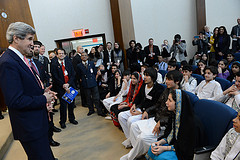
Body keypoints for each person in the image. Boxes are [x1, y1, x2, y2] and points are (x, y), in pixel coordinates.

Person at [0, 22, 57, 160]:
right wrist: (44, 99)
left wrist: (44, 92)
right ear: (16, 38)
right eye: (30, 39)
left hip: (36, 123)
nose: (33, 43)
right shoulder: (8, 62)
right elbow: (15, 100)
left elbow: (26, 87)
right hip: (30, 127)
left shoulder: (20, 59)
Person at [120, 70, 183, 160]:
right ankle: (136, 150)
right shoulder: (167, 90)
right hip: (156, 118)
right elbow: (158, 104)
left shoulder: (179, 95)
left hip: (164, 125)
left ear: (177, 81)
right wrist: (147, 111)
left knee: (142, 138)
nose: (166, 82)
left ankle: (131, 156)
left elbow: (175, 116)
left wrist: (161, 122)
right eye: (166, 79)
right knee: (134, 126)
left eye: (169, 80)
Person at [146, 89, 195, 160]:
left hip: (182, 152)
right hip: (175, 145)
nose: (166, 102)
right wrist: (161, 142)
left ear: (178, 103)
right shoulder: (174, 115)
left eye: (170, 100)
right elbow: (169, 133)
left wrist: (164, 148)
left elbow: (185, 146)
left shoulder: (189, 122)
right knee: (152, 147)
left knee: (161, 157)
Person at [119, 68, 164, 141]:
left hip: (149, 112)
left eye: (147, 75)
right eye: (144, 75)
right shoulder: (144, 85)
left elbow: (157, 105)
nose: (144, 77)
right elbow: (138, 96)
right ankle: (129, 138)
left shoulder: (159, 89)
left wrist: (142, 112)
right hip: (140, 108)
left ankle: (133, 140)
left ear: (152, 77)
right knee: (121, 116)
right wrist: (134, 104)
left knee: (130, 120)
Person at [51, 48, 78, 129]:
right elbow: (55, 77)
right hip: (61, 88)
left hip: (70, 86)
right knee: (63, 106)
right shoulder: (54, 64)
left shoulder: (69, 62)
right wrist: (63, 85)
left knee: (71, 104)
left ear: (65, 54)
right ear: (57, 55)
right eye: (59, 53)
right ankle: (62, 121)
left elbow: (73, 74)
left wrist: (68, 84)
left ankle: (72, 119)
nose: (61, 55)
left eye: (62, 53)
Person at [77, 52, 105, 117]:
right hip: (85, 84)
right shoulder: (79, 65)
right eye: (82, 55)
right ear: (81, 57)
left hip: (93, 83)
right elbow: (78, 75)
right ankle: (91, 110)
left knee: (96, 98)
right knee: (88, 98)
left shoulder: (91, 63)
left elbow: (95, 73)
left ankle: (99, 111)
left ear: (87, 56)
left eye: (85, 55)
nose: (84, 56)